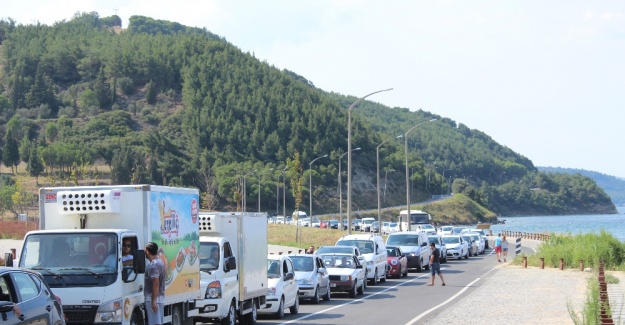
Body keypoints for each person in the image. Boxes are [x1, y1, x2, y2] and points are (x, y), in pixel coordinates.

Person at [145, 242, 165, 325]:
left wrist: (153, 301)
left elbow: (156, 284)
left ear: (147, 252)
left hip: (153, 298)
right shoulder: (160, 262)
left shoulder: (153, 265)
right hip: (160, 298)